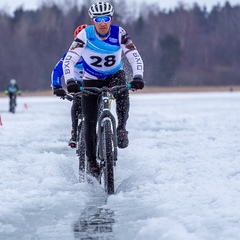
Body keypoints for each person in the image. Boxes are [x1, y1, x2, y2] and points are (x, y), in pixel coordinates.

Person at [63, 1, 144, 177]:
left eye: (106, 18)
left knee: (123, 93)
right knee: (89, 121)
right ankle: (92, 162)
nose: (102, 22)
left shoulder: (119, 33)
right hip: (91, 79)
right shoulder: (85, 35)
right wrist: (70, 82)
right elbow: (69, 60)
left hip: (114, 75)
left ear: (111, 18)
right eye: (98, 19)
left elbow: (133, 55)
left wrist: (138, 77)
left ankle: (121, 128)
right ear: (93, 20)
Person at [51, 24, 88, 148]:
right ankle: (75, 133)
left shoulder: (100, 52)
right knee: (77, 102)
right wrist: (57, 86)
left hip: (95, 81)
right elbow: (57, 71)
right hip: (77, 84)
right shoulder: (70, 55)